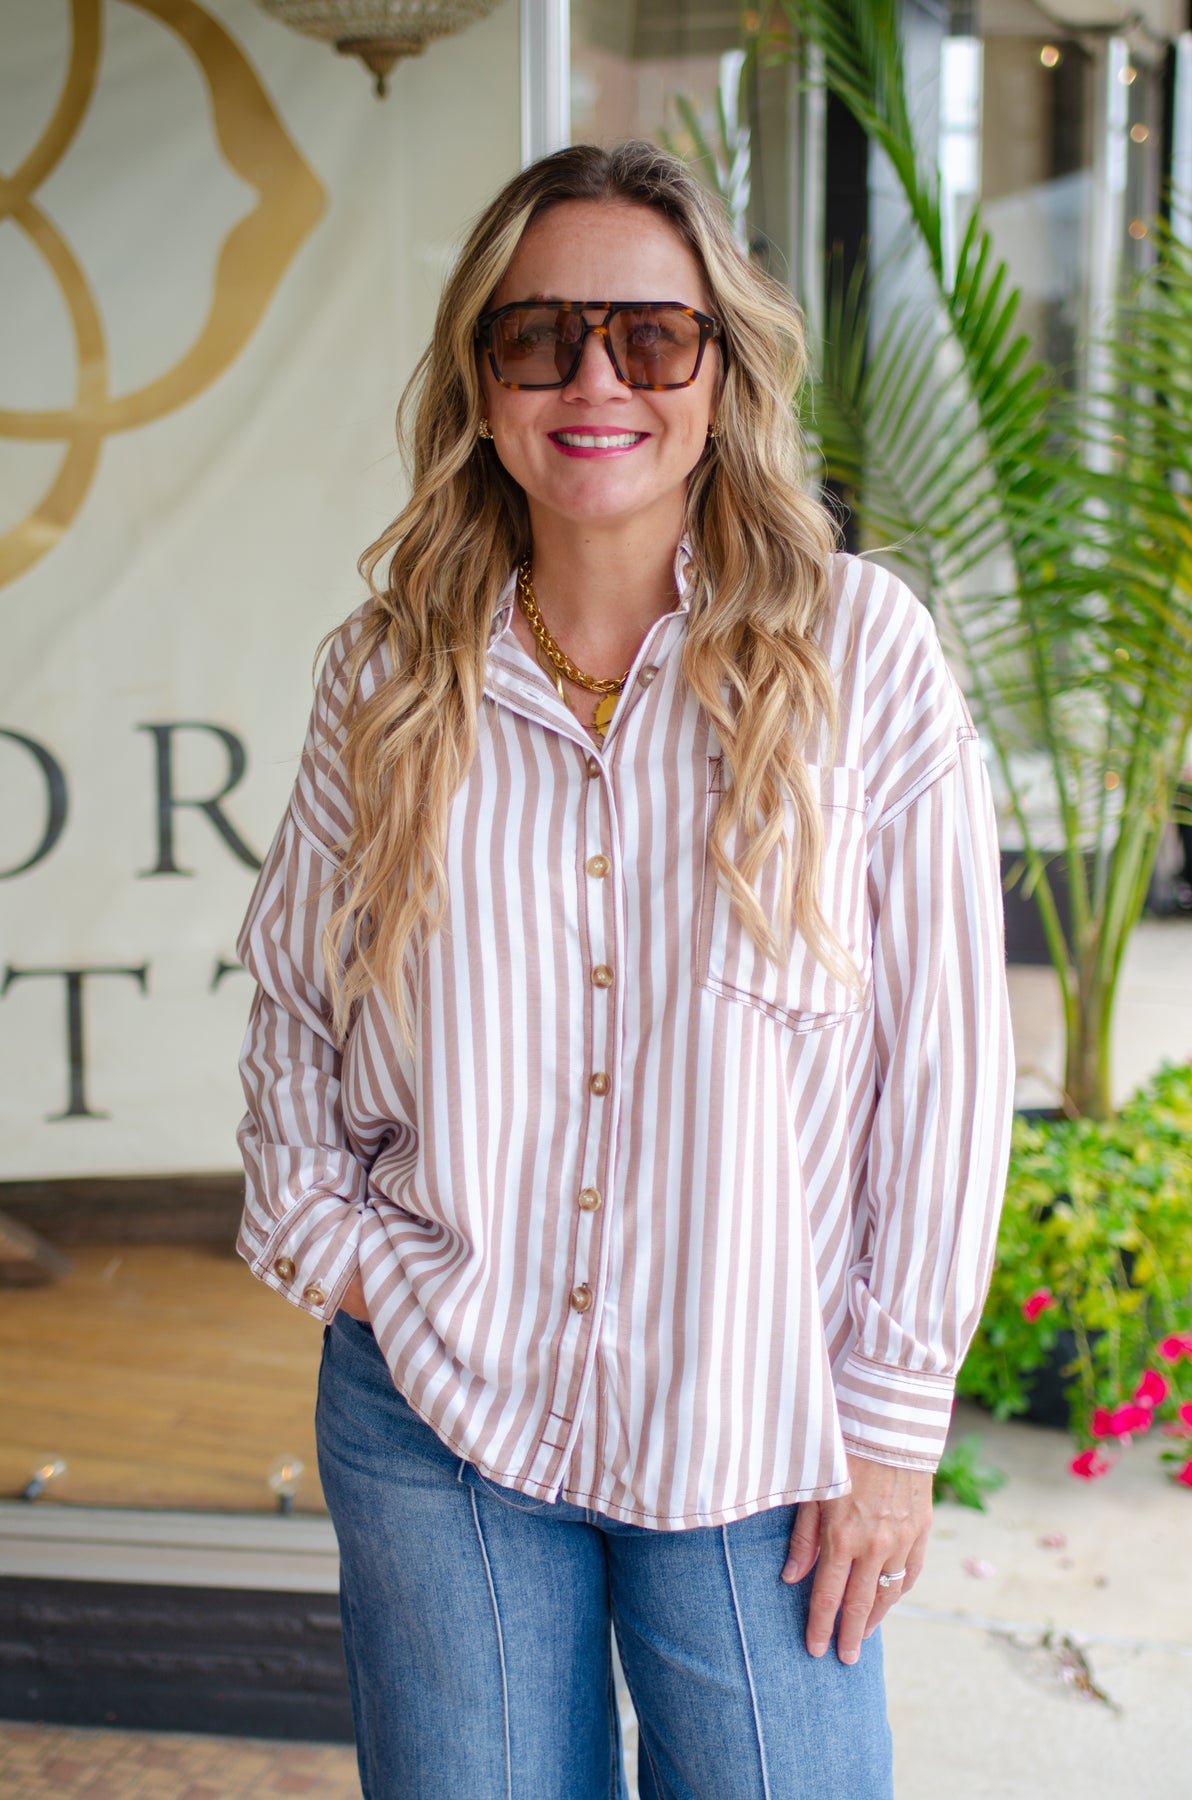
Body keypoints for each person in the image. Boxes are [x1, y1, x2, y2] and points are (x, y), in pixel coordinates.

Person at [236, 141, 1014, 1800]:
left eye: (652, 338)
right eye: (542, 337)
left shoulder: (861, 654)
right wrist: (342, 1250)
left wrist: (892, 1427)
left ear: (722, 375)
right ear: (483, 379)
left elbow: (946, 1071)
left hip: (758, 1428)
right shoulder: (385, 676)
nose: (597, 382)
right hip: (438, 1417)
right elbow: (295, 1003)